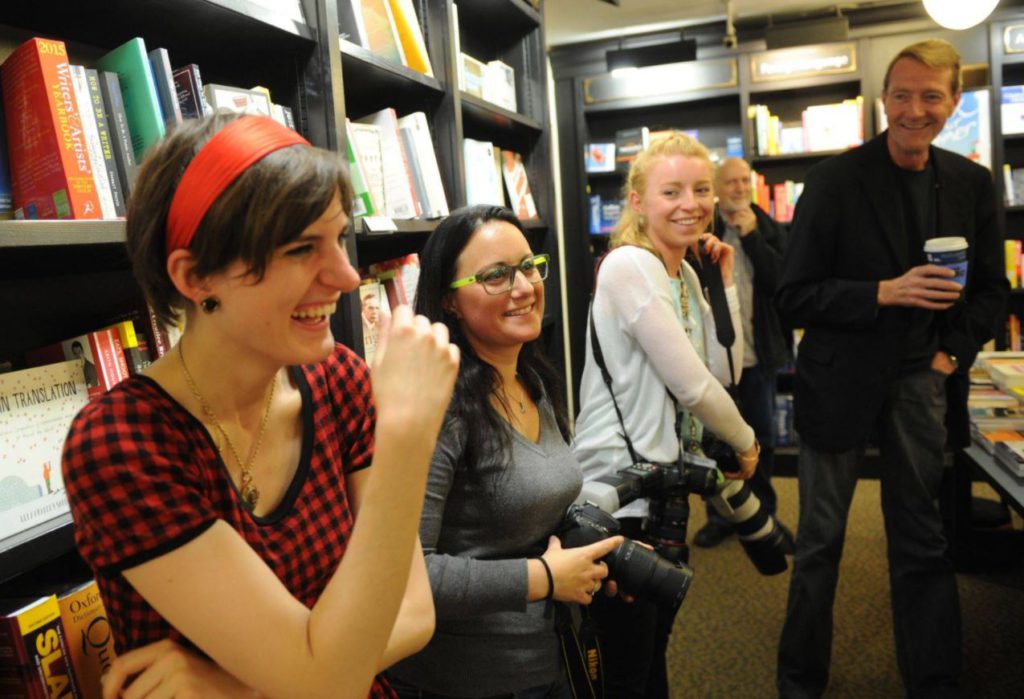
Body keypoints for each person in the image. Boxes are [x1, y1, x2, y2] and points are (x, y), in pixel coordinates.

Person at [61, 113, 460, 698]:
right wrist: (406, 435)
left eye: (339, 239)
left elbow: (415, 614)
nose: (347, 276)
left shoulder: (340, 382)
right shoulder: (123, 443)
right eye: (302, 248)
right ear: (197, 277)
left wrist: (234, 685)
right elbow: (328, 680)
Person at [775, 39, 1007, 699]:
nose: (914, 109)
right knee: (819, 544)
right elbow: (793, 294)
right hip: (837, 382)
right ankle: (799, 684)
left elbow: (993, 290)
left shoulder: (970, 182)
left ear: (953, 103)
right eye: (902, 94)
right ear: (883, 98)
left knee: (922, 539)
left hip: (919, 383)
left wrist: (948, 355)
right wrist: (883, 290)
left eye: (931, 95)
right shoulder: (834, 180)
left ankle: (934, 680)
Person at [387, 205, 623, 698]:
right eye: (495, 275)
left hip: (550, 657)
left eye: (528, 266)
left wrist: (593, 553)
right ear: (449, 302)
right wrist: (542, 577)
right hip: (469, 680)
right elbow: (407, 575)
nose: (523, 287)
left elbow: (533, 513)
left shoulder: (533, 377)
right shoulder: (442, 407)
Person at [573, 131, 760, 699]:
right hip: (619, 495)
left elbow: (730, 368)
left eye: (701, 190)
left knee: (653, 656)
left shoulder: (678, 274)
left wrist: (723, 280)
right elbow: (694, 386)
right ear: (638, 201)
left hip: (665, 488)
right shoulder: (631, 266)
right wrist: (748, 443)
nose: (691, 204)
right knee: (629, 668)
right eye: (671, 191)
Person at [693, 157, 794, 550]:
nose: (738, 188)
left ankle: (764, 515)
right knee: (718, 443)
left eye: (744, 181)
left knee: (763, 440)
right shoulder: (705, 229)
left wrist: (752, 236)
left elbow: (783, 285)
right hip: (715, 363)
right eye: (729, 182)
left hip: (759, 359)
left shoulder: (767, 227)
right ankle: (720, 517)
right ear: (717, 188)